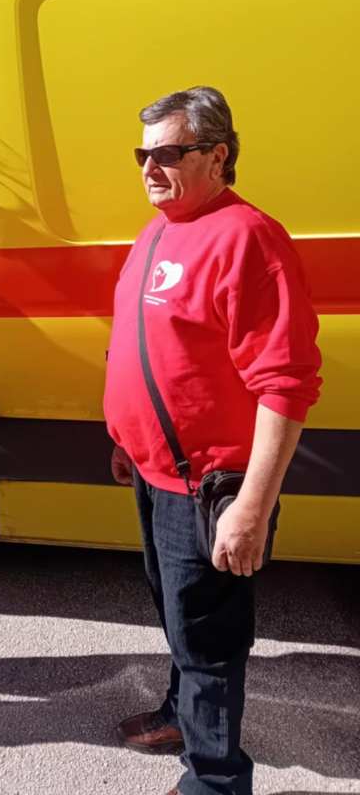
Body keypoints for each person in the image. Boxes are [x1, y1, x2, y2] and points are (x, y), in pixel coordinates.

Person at [103, 86, 321, 795]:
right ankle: (181, 716)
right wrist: (129, 440)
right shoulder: (160, 230)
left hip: (208, 486)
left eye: (169, 153)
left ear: (218, 156)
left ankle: (216, 780)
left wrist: (251, 507)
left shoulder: (249, 238)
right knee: (178, 616)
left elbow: (286, 384)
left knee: (209, 639)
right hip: (155, 472)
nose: (149, 167)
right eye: (143, 154)